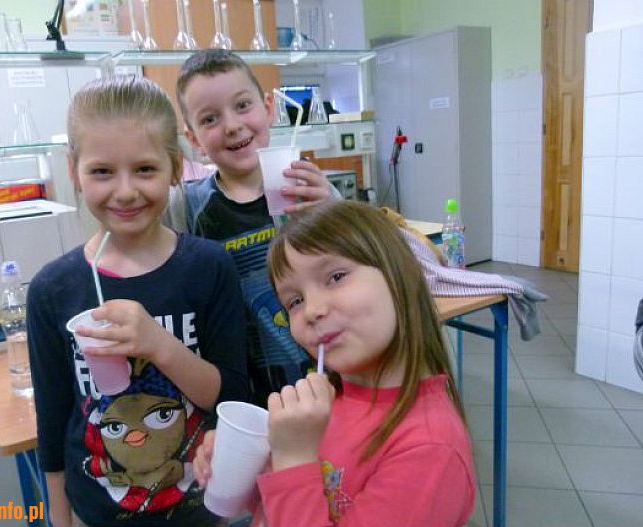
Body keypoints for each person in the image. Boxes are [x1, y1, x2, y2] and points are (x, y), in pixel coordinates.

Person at [27, 76, 248, 527]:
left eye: (145, 169)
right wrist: (58, 516)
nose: (125, 191)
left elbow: (232, 398)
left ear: (175, 168)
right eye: (102, 172)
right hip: (97, 512)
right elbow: (52, 421)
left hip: (200, 510)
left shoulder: (209, 267)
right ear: (74, 171)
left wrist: (159, 345)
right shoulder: (52, 289)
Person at [194, 200, 476, 527]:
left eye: (336, 277)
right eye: (295, 301)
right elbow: (286, 506)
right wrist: (249, 466)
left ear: (400, 276)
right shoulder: (327, 403)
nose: (313, 310)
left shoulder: (429, 450)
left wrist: (293, 457)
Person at [166, 49, 339, 407]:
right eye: (210, 119)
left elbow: (358, 262)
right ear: (194, 138)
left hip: (328, 375)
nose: (232, 125)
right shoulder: (186, 206)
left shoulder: (310, 190)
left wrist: (332, 210)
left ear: (268, 108)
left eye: (242, 105)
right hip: (243, 395)